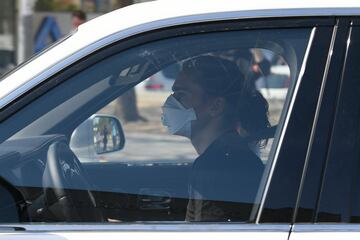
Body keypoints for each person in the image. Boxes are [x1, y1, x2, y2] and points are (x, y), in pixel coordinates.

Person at [161, 55, 270, 222]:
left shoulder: (218, 167)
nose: (170, 101)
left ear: (215, 106)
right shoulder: (226, 158)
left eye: (181, 94)